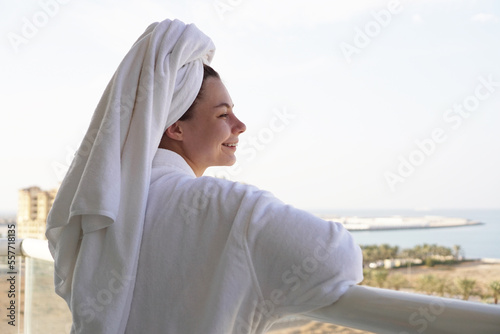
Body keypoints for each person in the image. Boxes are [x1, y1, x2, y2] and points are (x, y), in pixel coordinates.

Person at [46, 19, 362, 334]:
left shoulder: (104, 208)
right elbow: (338, 260)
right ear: (175, 126)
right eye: (223, 114)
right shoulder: (230, 208)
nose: (240, 125)